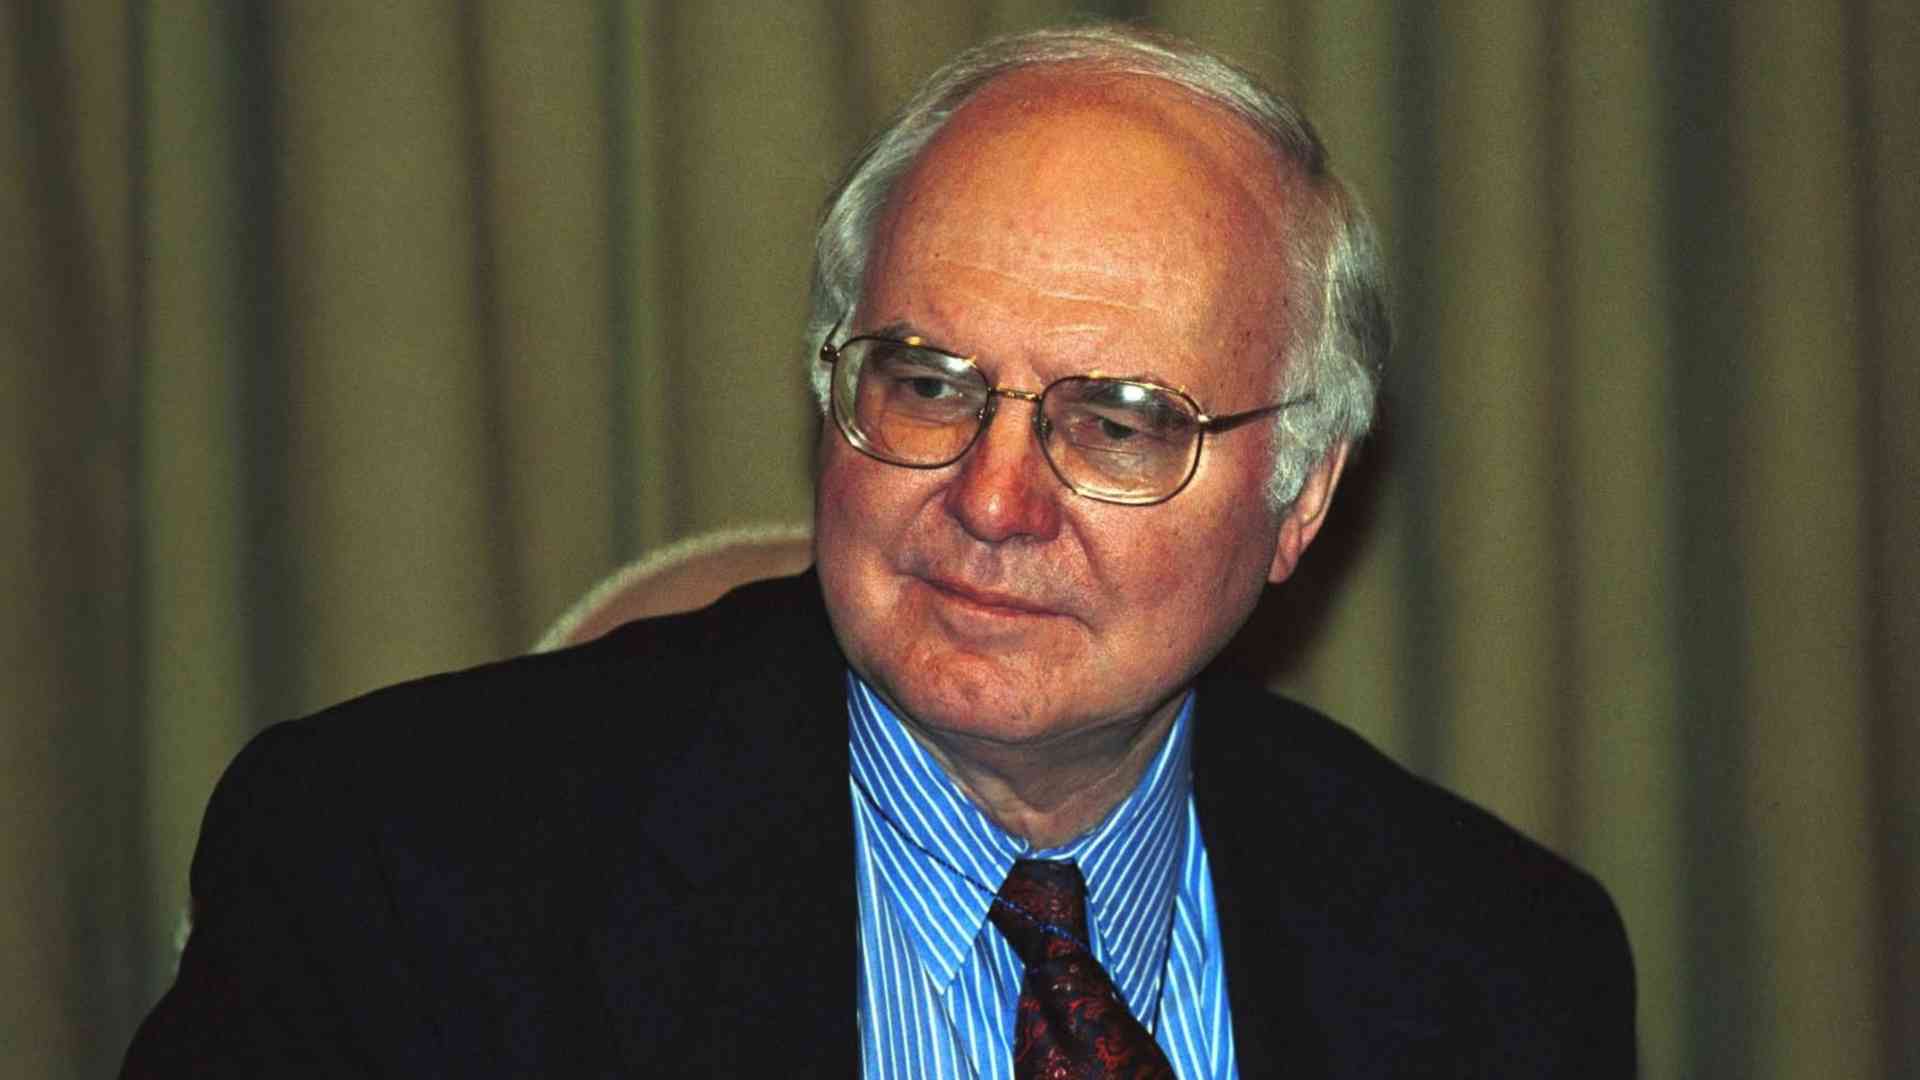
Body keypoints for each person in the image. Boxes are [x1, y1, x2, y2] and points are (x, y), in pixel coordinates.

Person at [123, 24, 1635, 1079]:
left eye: (1117, 423)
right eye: (928, 384)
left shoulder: (1499, 963)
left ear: (1298, 501)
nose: (994, 499)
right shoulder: (395, 875)